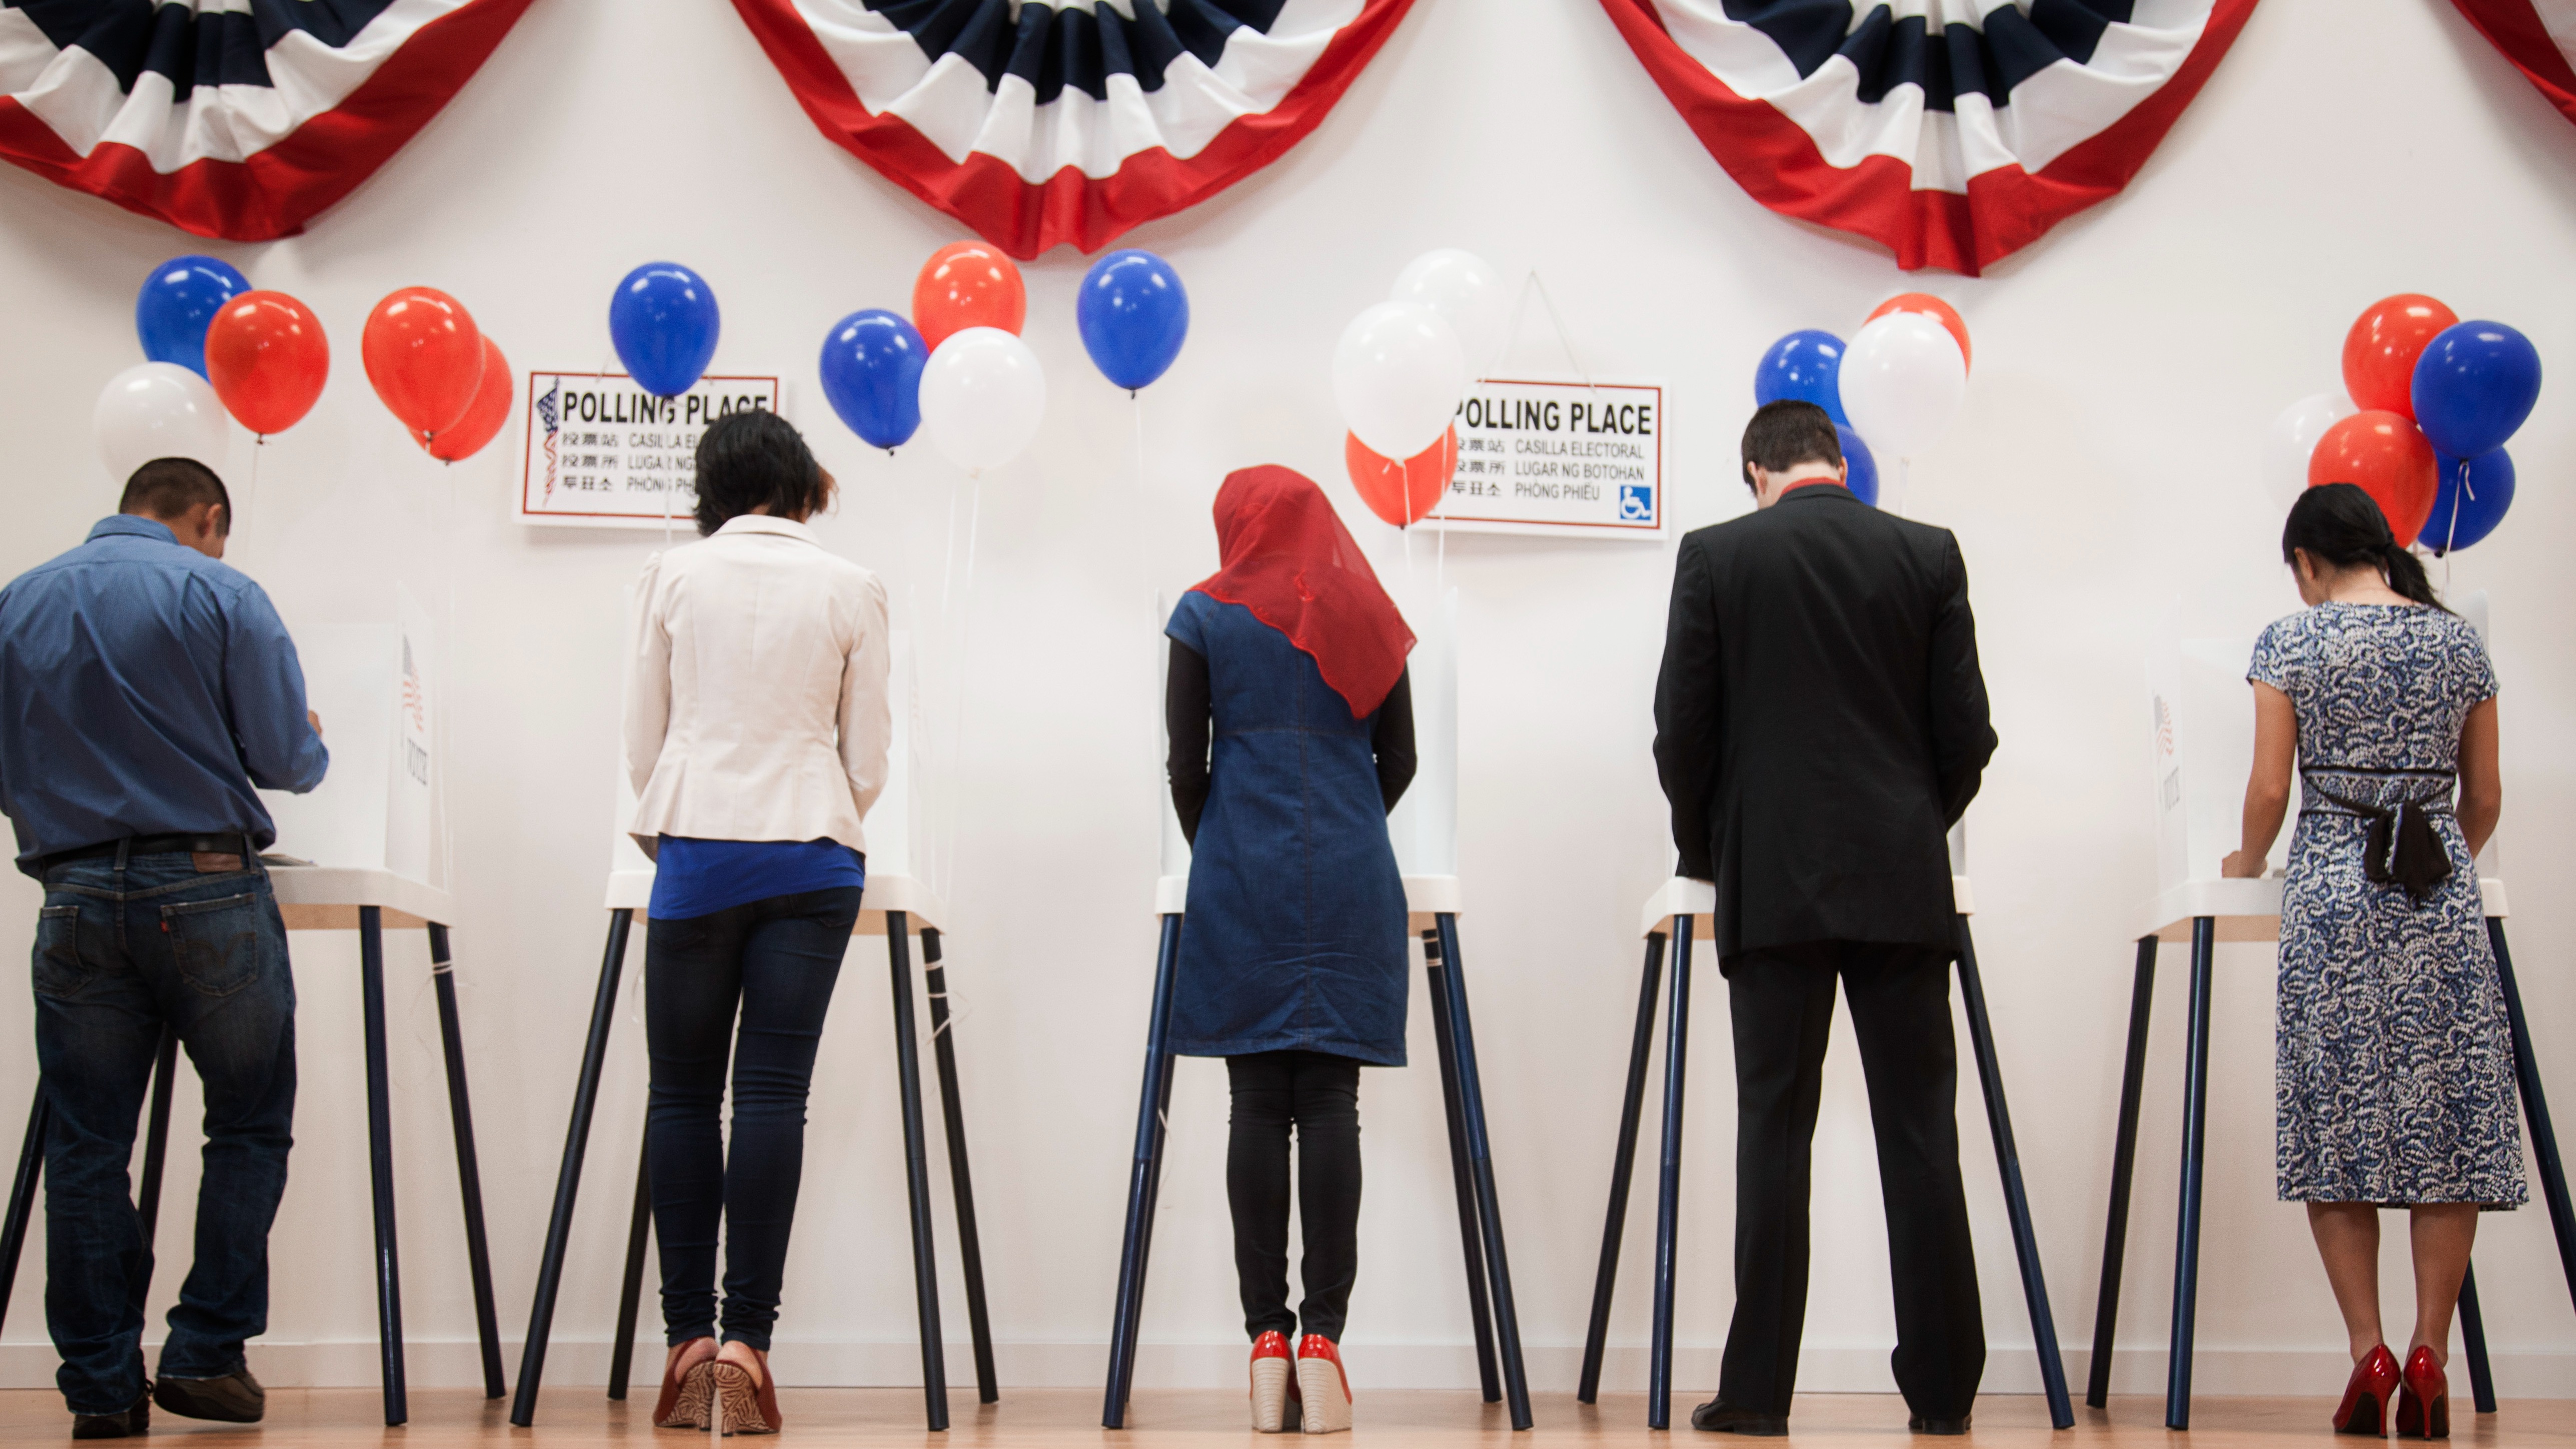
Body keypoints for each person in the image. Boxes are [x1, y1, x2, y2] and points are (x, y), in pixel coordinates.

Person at [1652, 400, 1996, 1437]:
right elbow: (1967, 736)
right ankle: (1942, 1389)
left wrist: (1715, 853)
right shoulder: (1927, 552)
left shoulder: (1716, 554)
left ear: (1753, 468)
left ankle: (1757, 1389)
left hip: (1775, 880)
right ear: (1841, 462)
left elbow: (1681, 735)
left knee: (1774, 1130)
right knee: (1920, 1131)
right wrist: (1905, 825)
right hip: (1899, 876)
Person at [0, 458, 328, 1439]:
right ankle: (205, 1353)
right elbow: (284, 757)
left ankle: (101, 1384)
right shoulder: (222, 589)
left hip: (75, 896)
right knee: (248, 1121)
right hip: (208, 889)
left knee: (89, 1146)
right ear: (207, 517)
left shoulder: (17, 600)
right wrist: (306, 735)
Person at [2221, 482, 2520, 1440]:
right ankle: (2432, 1352)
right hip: (2436, 895)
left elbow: (2270, 786)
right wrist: (2435, 857)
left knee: (2333, 1113)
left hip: (2332, 896)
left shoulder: (2290, 642)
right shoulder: (2454, 642)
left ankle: (2369, 1352)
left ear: (2307, 561)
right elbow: (2485, 796)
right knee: (2444, 1120)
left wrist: (2248, 859)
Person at [623, 410, 891, 1435]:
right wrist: (820, 809)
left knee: (683, 1096)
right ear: (795, 481)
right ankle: (749, 1346)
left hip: (697, 847)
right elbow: (866, 753)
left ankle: (687, 1343)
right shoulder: (852, 583)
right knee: (774, 1095)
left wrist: (686, 816)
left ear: (711, 487)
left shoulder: (671, 577)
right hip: (814, 849)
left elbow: (642, 738)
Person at [1164, 466, 1417, 1434]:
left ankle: (1263, 1339)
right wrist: (1347, 822)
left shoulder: (1201, 613)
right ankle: (1324, 1337)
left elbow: (1186, 765)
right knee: (1332, 1100)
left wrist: (1228, 840)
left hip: (1241, 870)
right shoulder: (1367, 608)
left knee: (1254, 1102)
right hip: (1353, 873)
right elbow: (1400, 760)